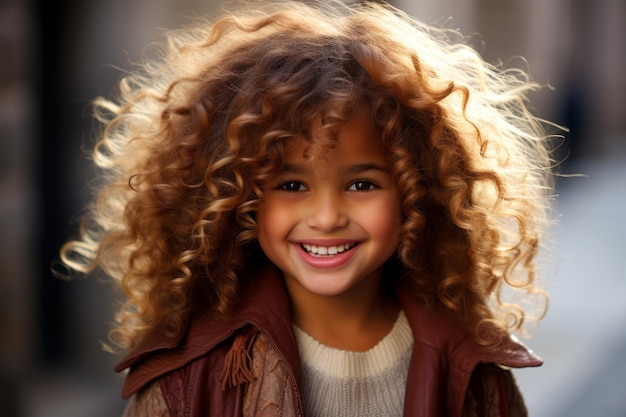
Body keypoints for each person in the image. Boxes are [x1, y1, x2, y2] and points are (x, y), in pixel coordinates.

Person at [58, 1, 559, 416]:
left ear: (418, 192)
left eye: (362, 183)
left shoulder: (473, 373)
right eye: (292, 184)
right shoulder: (189, 383)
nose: (325, 217)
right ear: (239, 197)